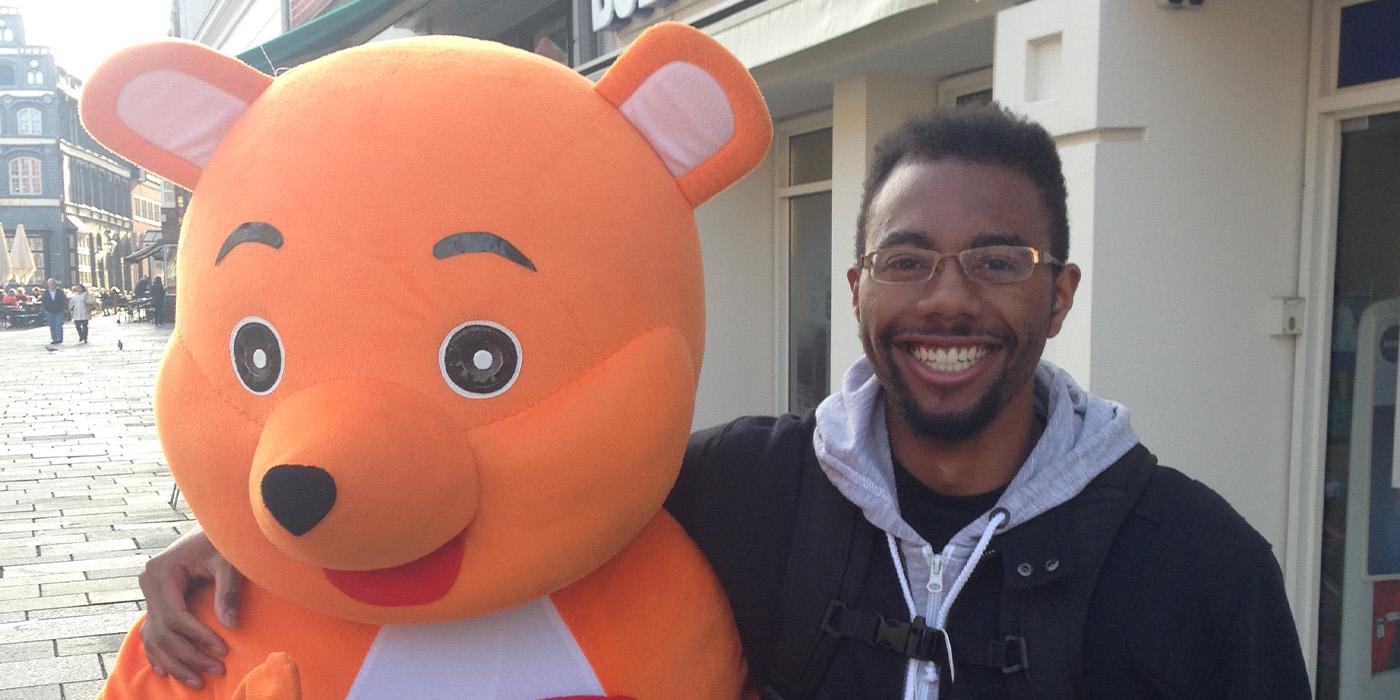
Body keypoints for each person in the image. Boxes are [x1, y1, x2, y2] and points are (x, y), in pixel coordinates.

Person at [133, 106, 1311, 698]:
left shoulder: (1201, 565)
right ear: (856, 290)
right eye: (906, 260)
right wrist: (244, 537)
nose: (946, 301)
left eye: (997, 262)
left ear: (1057, 296)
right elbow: (515, 499)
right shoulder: (743, 487)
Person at [39, 278, 67, 345]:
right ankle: (54, 338)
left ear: (55, 284)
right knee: (52, 325)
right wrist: (45, 309)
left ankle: (59, 339)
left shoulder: (60, 292)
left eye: (53, 284)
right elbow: (43, 302)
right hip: (49, 311)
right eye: (50, 284)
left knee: (58, 324)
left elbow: (64, 301)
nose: (51, 285)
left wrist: (64, 308)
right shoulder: (46, 293)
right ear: (48, 285)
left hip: (59, 311)